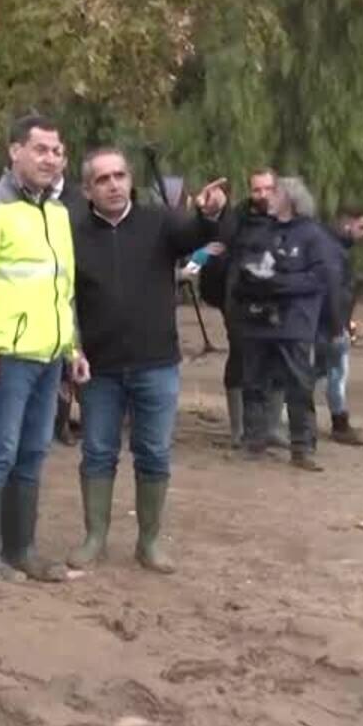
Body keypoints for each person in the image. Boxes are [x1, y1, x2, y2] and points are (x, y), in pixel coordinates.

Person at [68, 149, 227, 573]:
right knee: (98, 452)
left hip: (155, 362)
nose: (114, 184)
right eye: (103, 179)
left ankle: (149, 542)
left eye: (120, 175)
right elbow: (63, 297)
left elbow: (194, 234)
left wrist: (208, 215)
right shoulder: (73, 231)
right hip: (98, 366)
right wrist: (73, 347)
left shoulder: (158, 222)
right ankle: (95, 537)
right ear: (88, 189)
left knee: (153, 453)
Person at [0, 115, 89, 582]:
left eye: (57, 151)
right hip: (6, 357)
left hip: (49, 355)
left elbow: (61, 288)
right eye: (40, 149)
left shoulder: (57, 213)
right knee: (0, 454)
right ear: (15, 152)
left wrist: (73, 348)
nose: (50, 158)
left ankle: (22, 550)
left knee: (33, 454)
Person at [230, 176, 340, 471]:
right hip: (256, 320)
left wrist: (278, 283)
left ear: (290, 199)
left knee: (298, 385)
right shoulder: (260, 232)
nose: (267, 196)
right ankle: (254, 441)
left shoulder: (312, 236)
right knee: (253, 382)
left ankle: (302, 447)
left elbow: (320, 278)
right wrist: (251, 284)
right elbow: (242, 268)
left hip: (294, 322)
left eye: (274, 192)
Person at [206, 169, 280, 448]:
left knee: (278, 360)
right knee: (240, 359)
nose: (262, 195)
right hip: (240, 300)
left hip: (278, 300)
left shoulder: (287, 218)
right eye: (256, 189)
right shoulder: (236, 219)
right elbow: (218, 252)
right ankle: (239, 429)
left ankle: (271, 427)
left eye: (267, 189)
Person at [321, 206, 363, 446]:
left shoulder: (334, 248)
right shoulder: (334, 251)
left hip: (329, 322)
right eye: (362, 227)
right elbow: (333, 292)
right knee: (336, 372)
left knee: (316, 371)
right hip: (329, 325)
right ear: (347, 224)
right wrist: (337, 326)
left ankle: (279, 419)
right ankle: (339, 424)